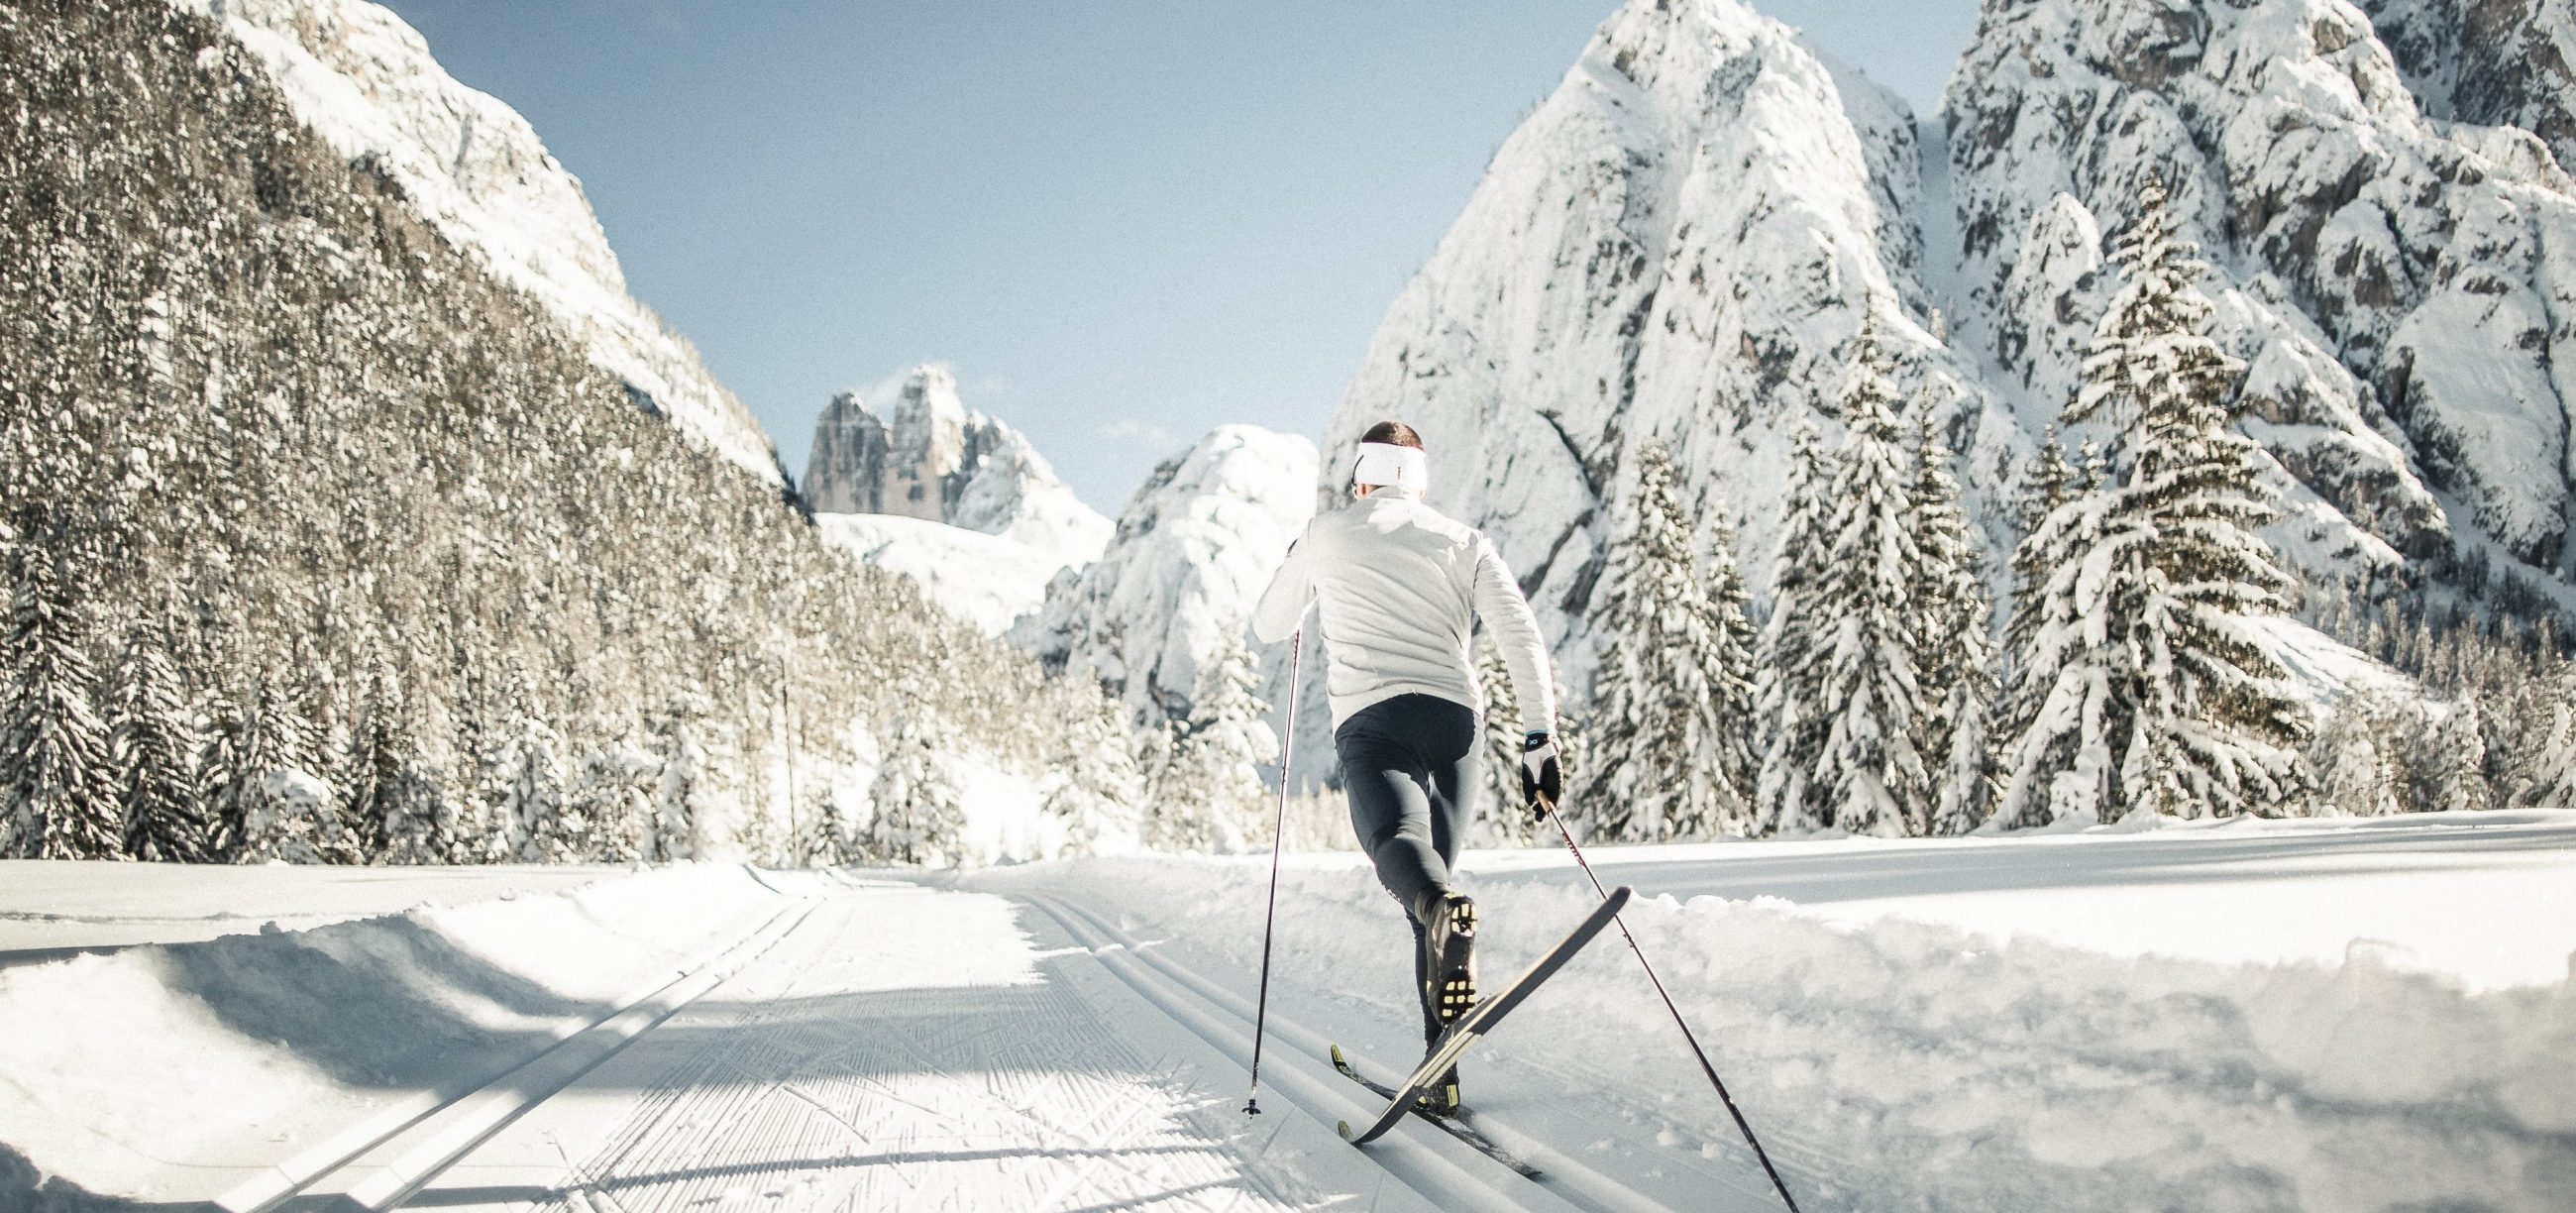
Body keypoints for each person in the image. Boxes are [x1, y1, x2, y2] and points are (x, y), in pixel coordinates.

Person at [1250, 419, 1563, 1115]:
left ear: (1361, 476)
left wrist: (1301, 561)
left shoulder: (1328, 530)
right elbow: (1519, 633)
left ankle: (1441, 1030)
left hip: (1375, 722)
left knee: (1406, 860)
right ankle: (1440, 1067)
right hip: (1456, 723)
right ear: (1419, 483)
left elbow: (1270, 623)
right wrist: (1539, 738)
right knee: (1434, 890)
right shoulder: (1462, 540)